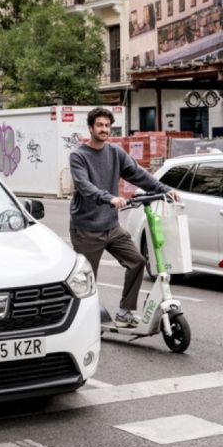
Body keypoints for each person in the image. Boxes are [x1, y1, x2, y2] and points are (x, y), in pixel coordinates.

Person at [69, 107, 181, 327]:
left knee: (137, 262)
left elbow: (138, 174)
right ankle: (80, 321)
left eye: (107, 126)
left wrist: (164, 189)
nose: (104, 129)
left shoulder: (115, 152)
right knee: (86, 279)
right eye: (99, 125)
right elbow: (84, 186)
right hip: (87, 229)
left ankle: (124, 313)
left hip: (111, 226)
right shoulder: (78, 156)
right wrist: (108, 198)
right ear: (90, 128)